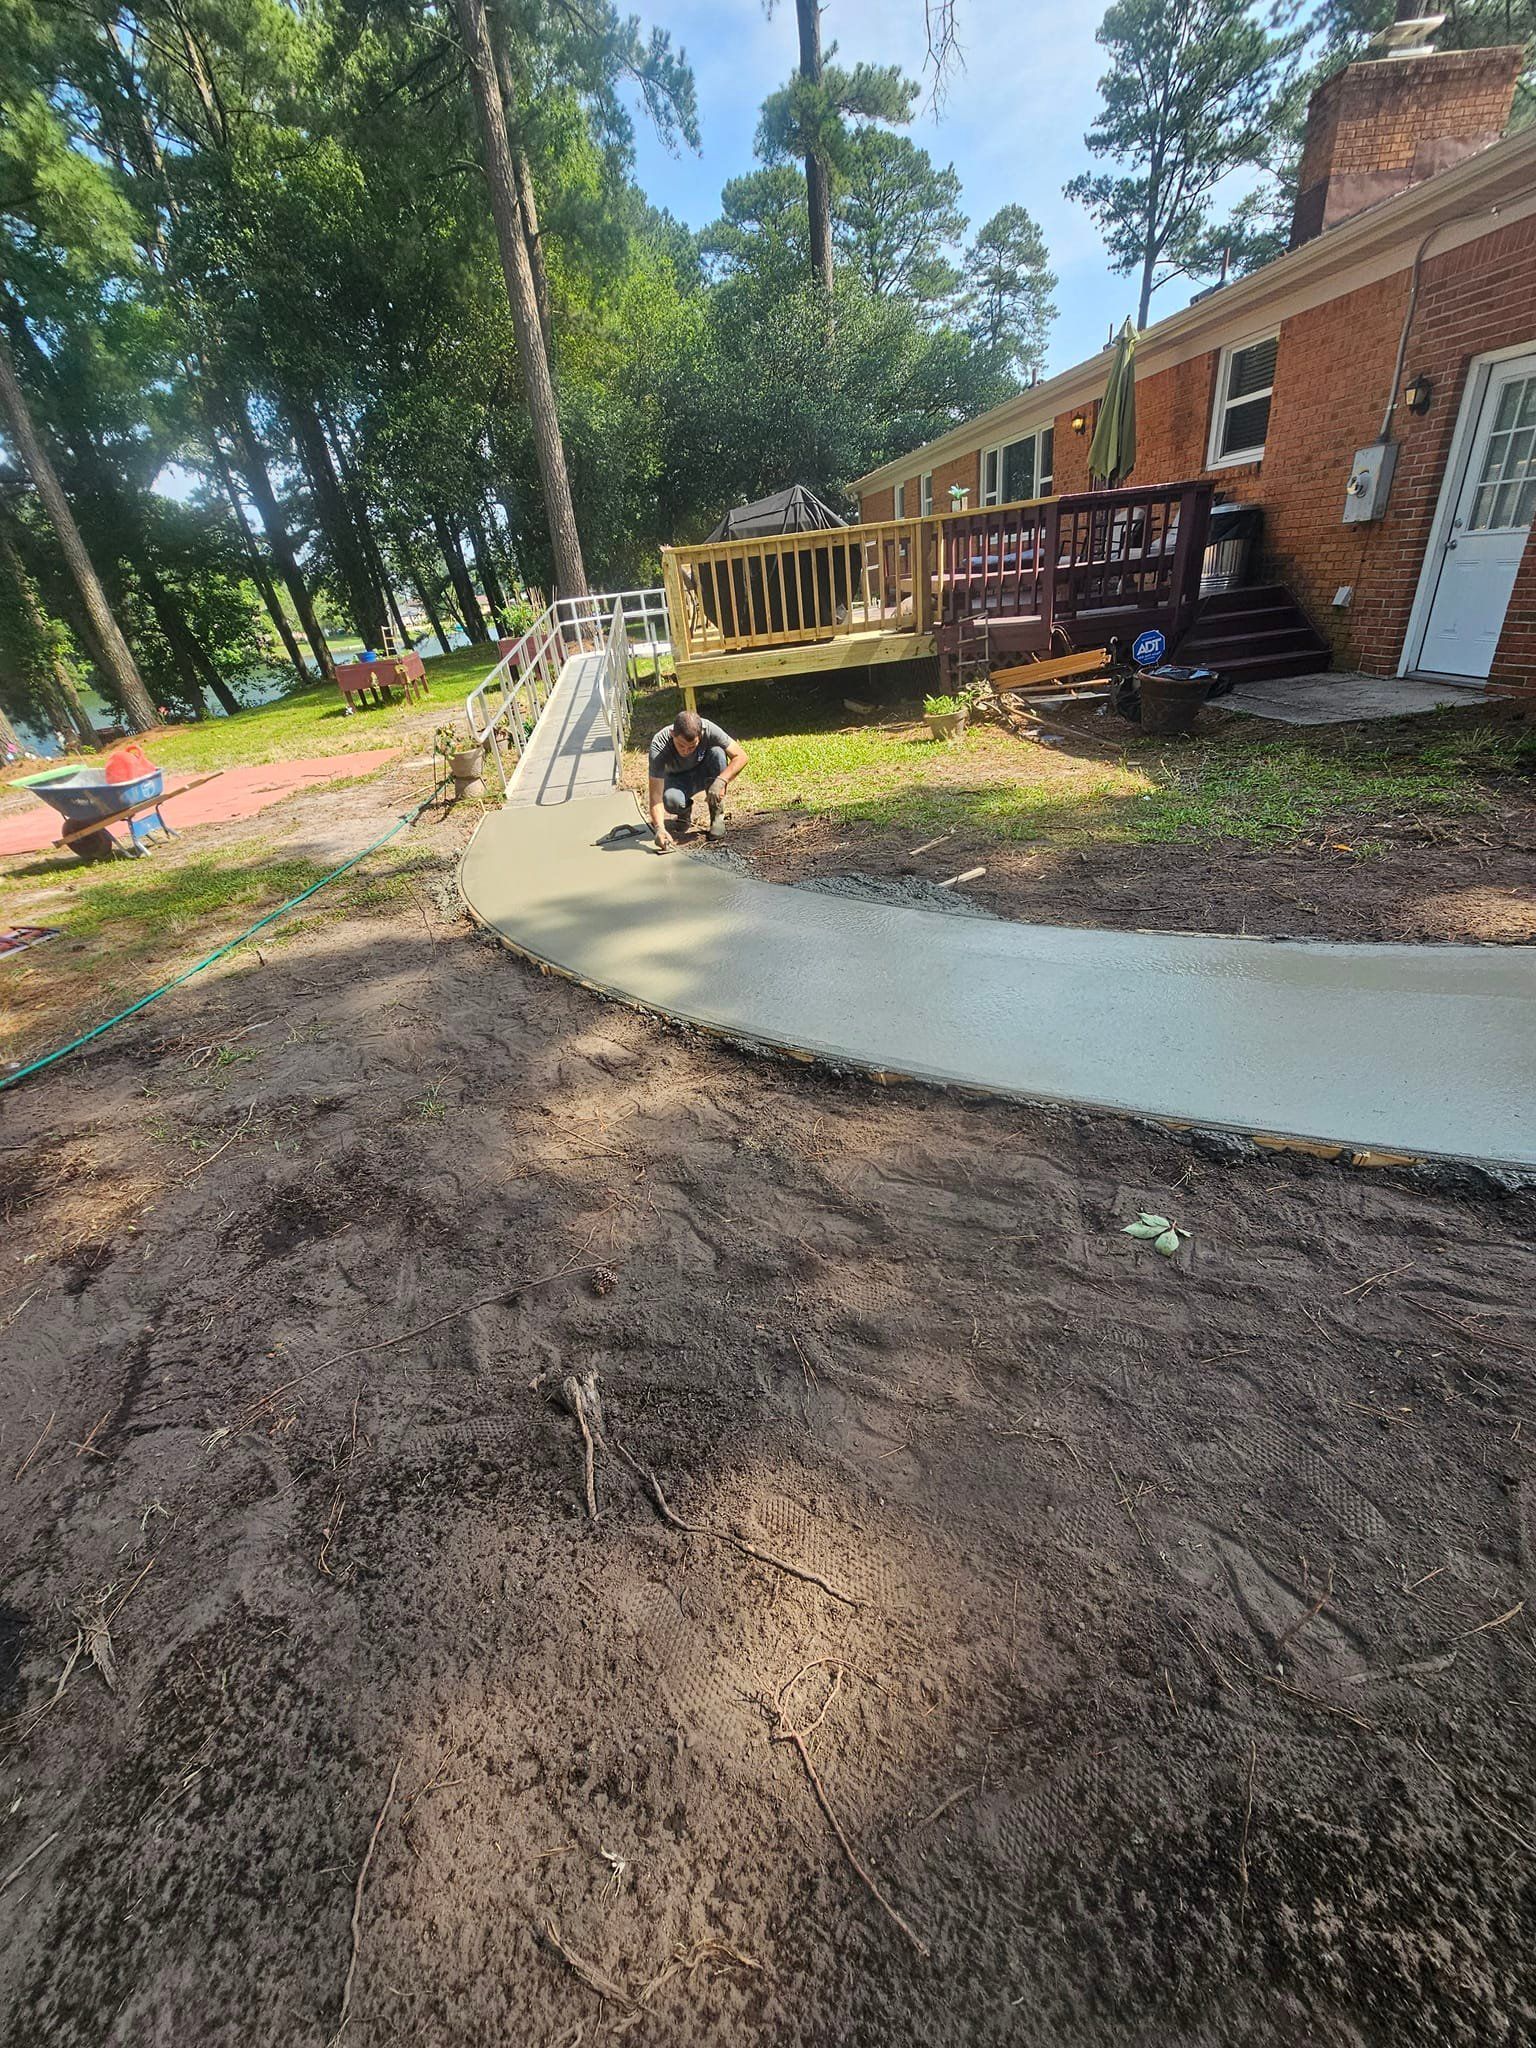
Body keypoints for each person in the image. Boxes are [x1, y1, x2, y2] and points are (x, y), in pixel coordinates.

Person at [647, 708, 747, 852]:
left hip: (704, 772)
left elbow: (741, 756)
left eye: (692, 746)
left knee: (718, 752)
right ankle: (683, 812)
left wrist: (721, 781)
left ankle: (716, 815)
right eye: (681, 745)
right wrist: (659, 828)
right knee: (671, 800)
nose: (686, 751)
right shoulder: (659, 744)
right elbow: (655, 796)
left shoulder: (709, 729)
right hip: (677, 780)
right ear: (672, 735)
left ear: (701, 735)